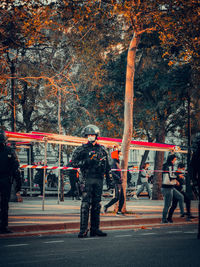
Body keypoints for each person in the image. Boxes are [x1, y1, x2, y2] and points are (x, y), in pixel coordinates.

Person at [69, 124, 111, 238]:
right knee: (85, 204)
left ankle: (95, 229)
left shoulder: (102, 149)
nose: (90, 137)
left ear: (96, 136)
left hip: (98, 179)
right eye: (88, 135)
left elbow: (107, 166)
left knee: (97, 205)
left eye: (92, 135)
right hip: (86, 179)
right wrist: (86, 162)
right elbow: (73, 163)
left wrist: (109, 180)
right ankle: (83, 230)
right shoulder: (81, 149)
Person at [0, 130, 22, 234]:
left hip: (5, 179)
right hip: (5, 180)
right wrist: (18, 184)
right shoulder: (9, 151)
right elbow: (16, 169)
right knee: (4, 204)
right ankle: (3, 226)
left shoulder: (9, 151)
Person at [161, 154, 184, 223]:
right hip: (167, 187)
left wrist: (176, 179)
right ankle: (164, 219)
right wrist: (178, 176)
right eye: (175, 159)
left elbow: (170, 175)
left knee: (180, 197)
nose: (175, 161)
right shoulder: (169, 165)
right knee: (167, 205)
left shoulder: (168, 165)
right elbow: (170, 176)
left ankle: (182, 213)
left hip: (170, 187)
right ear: (172, 159)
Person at [104, 150, 124, 215]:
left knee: (122, 198)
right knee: (117, 197)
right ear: (116, 155)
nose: (121, 156)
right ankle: (106, 206)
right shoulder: (114, 162)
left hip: (120, 182)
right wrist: (119, 178)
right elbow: (113, 172)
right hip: (117, 182)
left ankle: (119, 211)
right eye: (120, 154)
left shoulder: (117, 162)